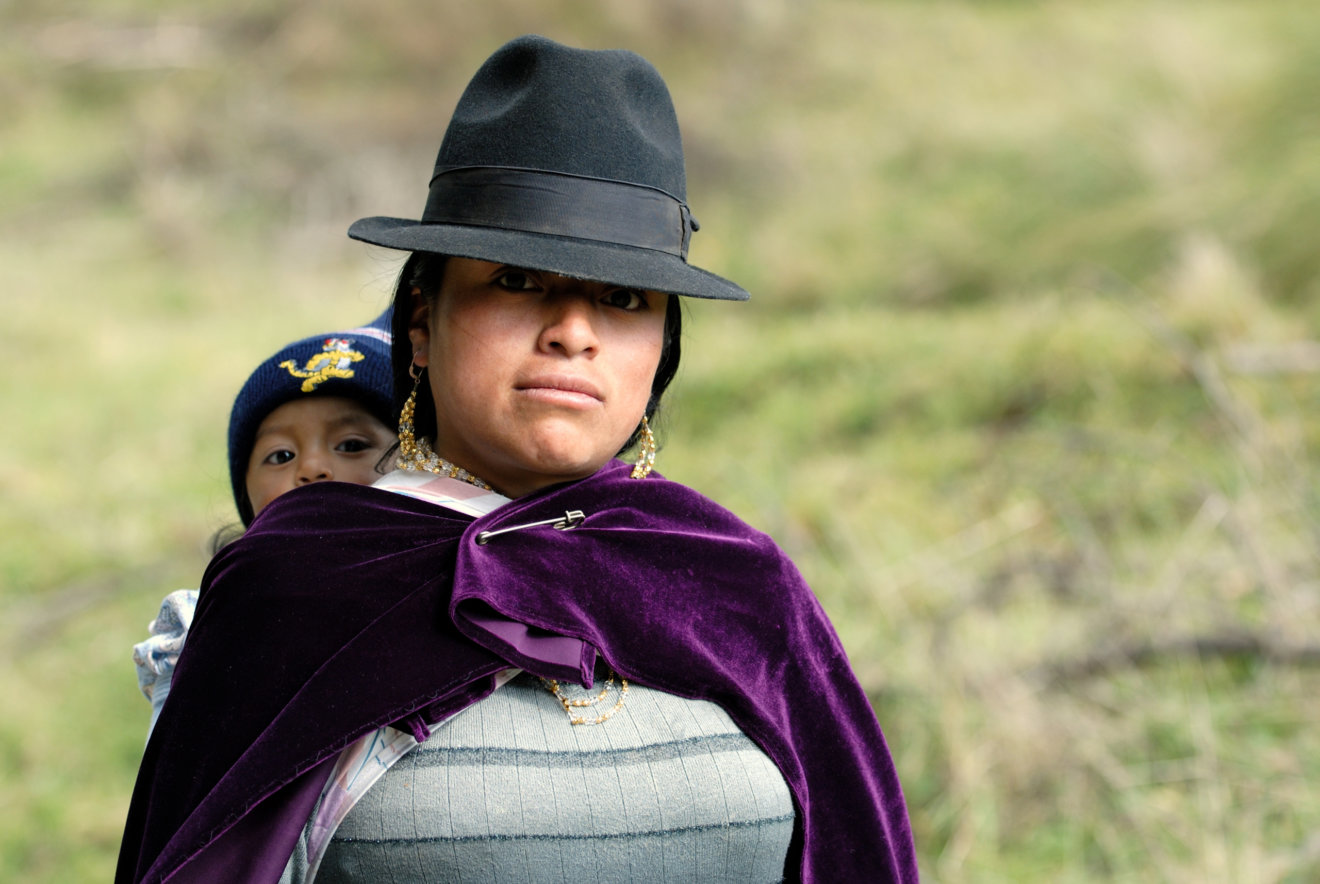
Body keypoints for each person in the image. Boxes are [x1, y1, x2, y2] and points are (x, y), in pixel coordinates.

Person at [117, 35, 919, 883]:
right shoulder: (293, 591)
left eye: (621, 298)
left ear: (661, 351)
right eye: (518, 280)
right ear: (421, 325)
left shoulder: (733, 582)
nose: (573, 331)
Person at [132, 310, 396, 737]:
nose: (312, 467)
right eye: (280, 456)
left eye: (351, 445)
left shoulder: (461, 596)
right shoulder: (205, 631)